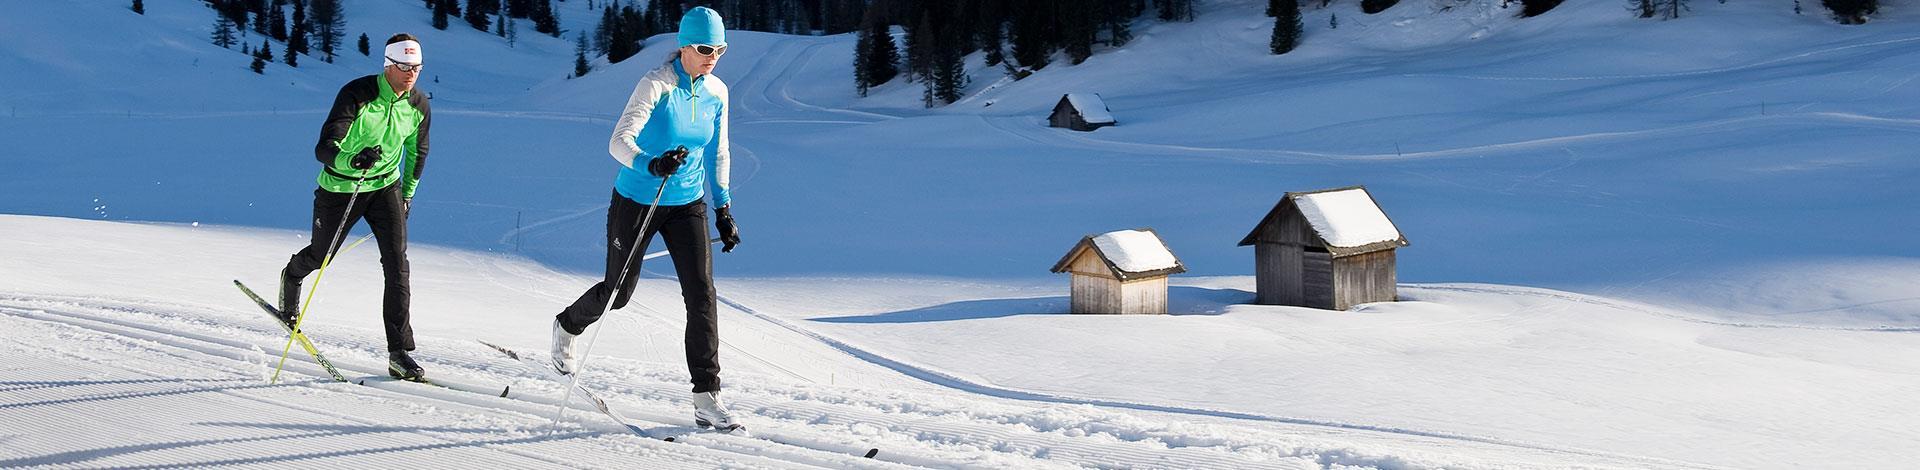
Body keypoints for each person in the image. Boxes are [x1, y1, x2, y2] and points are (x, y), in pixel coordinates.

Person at [549, 6, 744, 433]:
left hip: (687, 202)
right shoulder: (656, 84)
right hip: (638, 196)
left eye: (721, 49)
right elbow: (619, 142)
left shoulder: (717, 91)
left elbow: (719, 152)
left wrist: (724, 208)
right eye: (705, 47)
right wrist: (651, 164)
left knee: (702, 295)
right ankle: (566, 326)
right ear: (684, 45)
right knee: (618, 293)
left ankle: (706, 397)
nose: (713, 56)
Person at [277, 33, 433, 382]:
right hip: (341, 188)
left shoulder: (418, 105)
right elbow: (324, 147)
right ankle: (292, 275)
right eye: (404, 66)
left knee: (397, 266)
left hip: (385, 188)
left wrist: (407, 194)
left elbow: (417, 152)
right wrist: (352, 158)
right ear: (388, 66)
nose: (411, 74)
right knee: (322, 255)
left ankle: (399, 353)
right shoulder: (357, 94)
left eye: (417, 68)